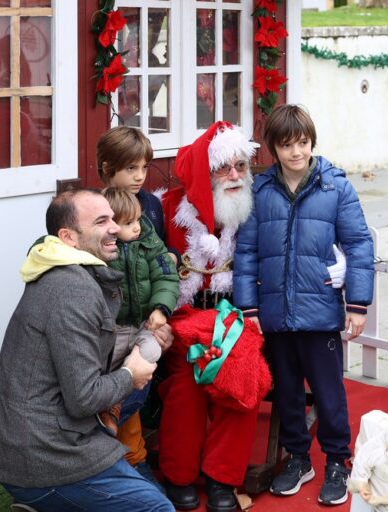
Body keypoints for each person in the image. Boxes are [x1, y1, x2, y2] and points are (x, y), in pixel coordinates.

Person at [0, 189, 173, 512]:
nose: (115, 227)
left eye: (113, 218)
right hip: (40, 456)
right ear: (68, 237)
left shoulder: (60, 270)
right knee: (158, 509)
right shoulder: (73, 290)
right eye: (102, 221)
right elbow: (84, 397)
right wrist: (131, 373)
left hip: (21, 440)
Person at [233, 104, 375, 505]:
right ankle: (297, 457)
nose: (296, 152)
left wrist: (358, 304)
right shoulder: (260, 193)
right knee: (288, 391)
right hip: (276, 313)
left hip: (321, 311)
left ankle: (336, 460)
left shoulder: (336, 187)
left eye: (303, 143)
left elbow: (359, 245)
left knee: (329, 393)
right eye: (286, 145)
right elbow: (246, 253)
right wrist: (249, 307)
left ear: (312, 142)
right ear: (272, 149)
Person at [157, 121, 265, 512]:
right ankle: (178, 474)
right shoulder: (170, 208)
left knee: (241, 375)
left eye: (241, 166)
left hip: (235, 315)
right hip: (185, 316)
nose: (235, 176)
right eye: (224, 168)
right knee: (188, 380)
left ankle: (222, 477)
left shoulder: (251, 208)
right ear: (206, 173)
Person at [96, 125, 174, 484]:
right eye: (131, 169)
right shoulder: (93, 213)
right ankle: (111, 451)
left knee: (138, 373)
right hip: (104, 330)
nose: (139, 176)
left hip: (142, 324)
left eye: (144, 168)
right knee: (120, 380)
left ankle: (132, 457)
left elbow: (162, 266)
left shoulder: (149, 210)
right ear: (108, 167)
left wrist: (162, 309)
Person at [97, 187, 179, 437]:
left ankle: (116, 405)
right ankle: (104, 409)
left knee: (152, 352)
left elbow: (166, 275)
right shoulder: (104, 250)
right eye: (129, 223)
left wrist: (161, 308)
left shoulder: (150, 243)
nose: (137, 227)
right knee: (105, 367)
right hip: (114, 327)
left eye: (138, 219)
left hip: (141, 324)